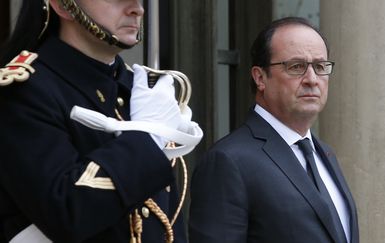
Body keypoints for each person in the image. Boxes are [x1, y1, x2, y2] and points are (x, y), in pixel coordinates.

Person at [0, 0, 197, 242]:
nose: (137, 9)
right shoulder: (25, 91)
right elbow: (66, 210)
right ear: (63, 6)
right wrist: (147, 138)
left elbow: (167, 224)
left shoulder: (138, 90)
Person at [189, 17, 359, 243]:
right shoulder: (228, 161)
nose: (312, 79)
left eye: (320, 67)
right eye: (296, 67)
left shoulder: (324, 154)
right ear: (260, 77)